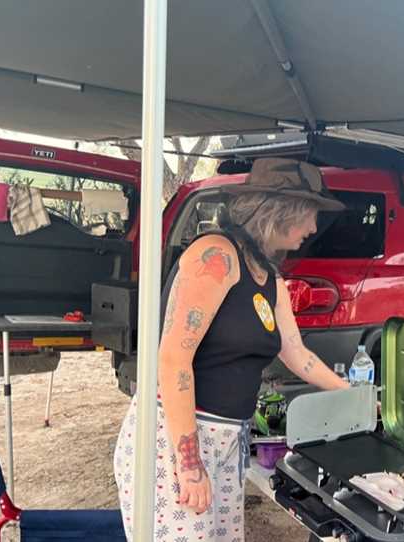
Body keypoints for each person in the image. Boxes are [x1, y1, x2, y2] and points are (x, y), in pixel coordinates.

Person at [113, 158, 350, 541]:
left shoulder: (268, 275)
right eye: (309, 214)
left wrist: (351, 394)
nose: (313, 227)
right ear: (280, 210)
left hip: (227, 441)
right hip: (174, 437)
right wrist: (188, 464)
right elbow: (173, 358)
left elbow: (296, 353)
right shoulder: (216, 257)